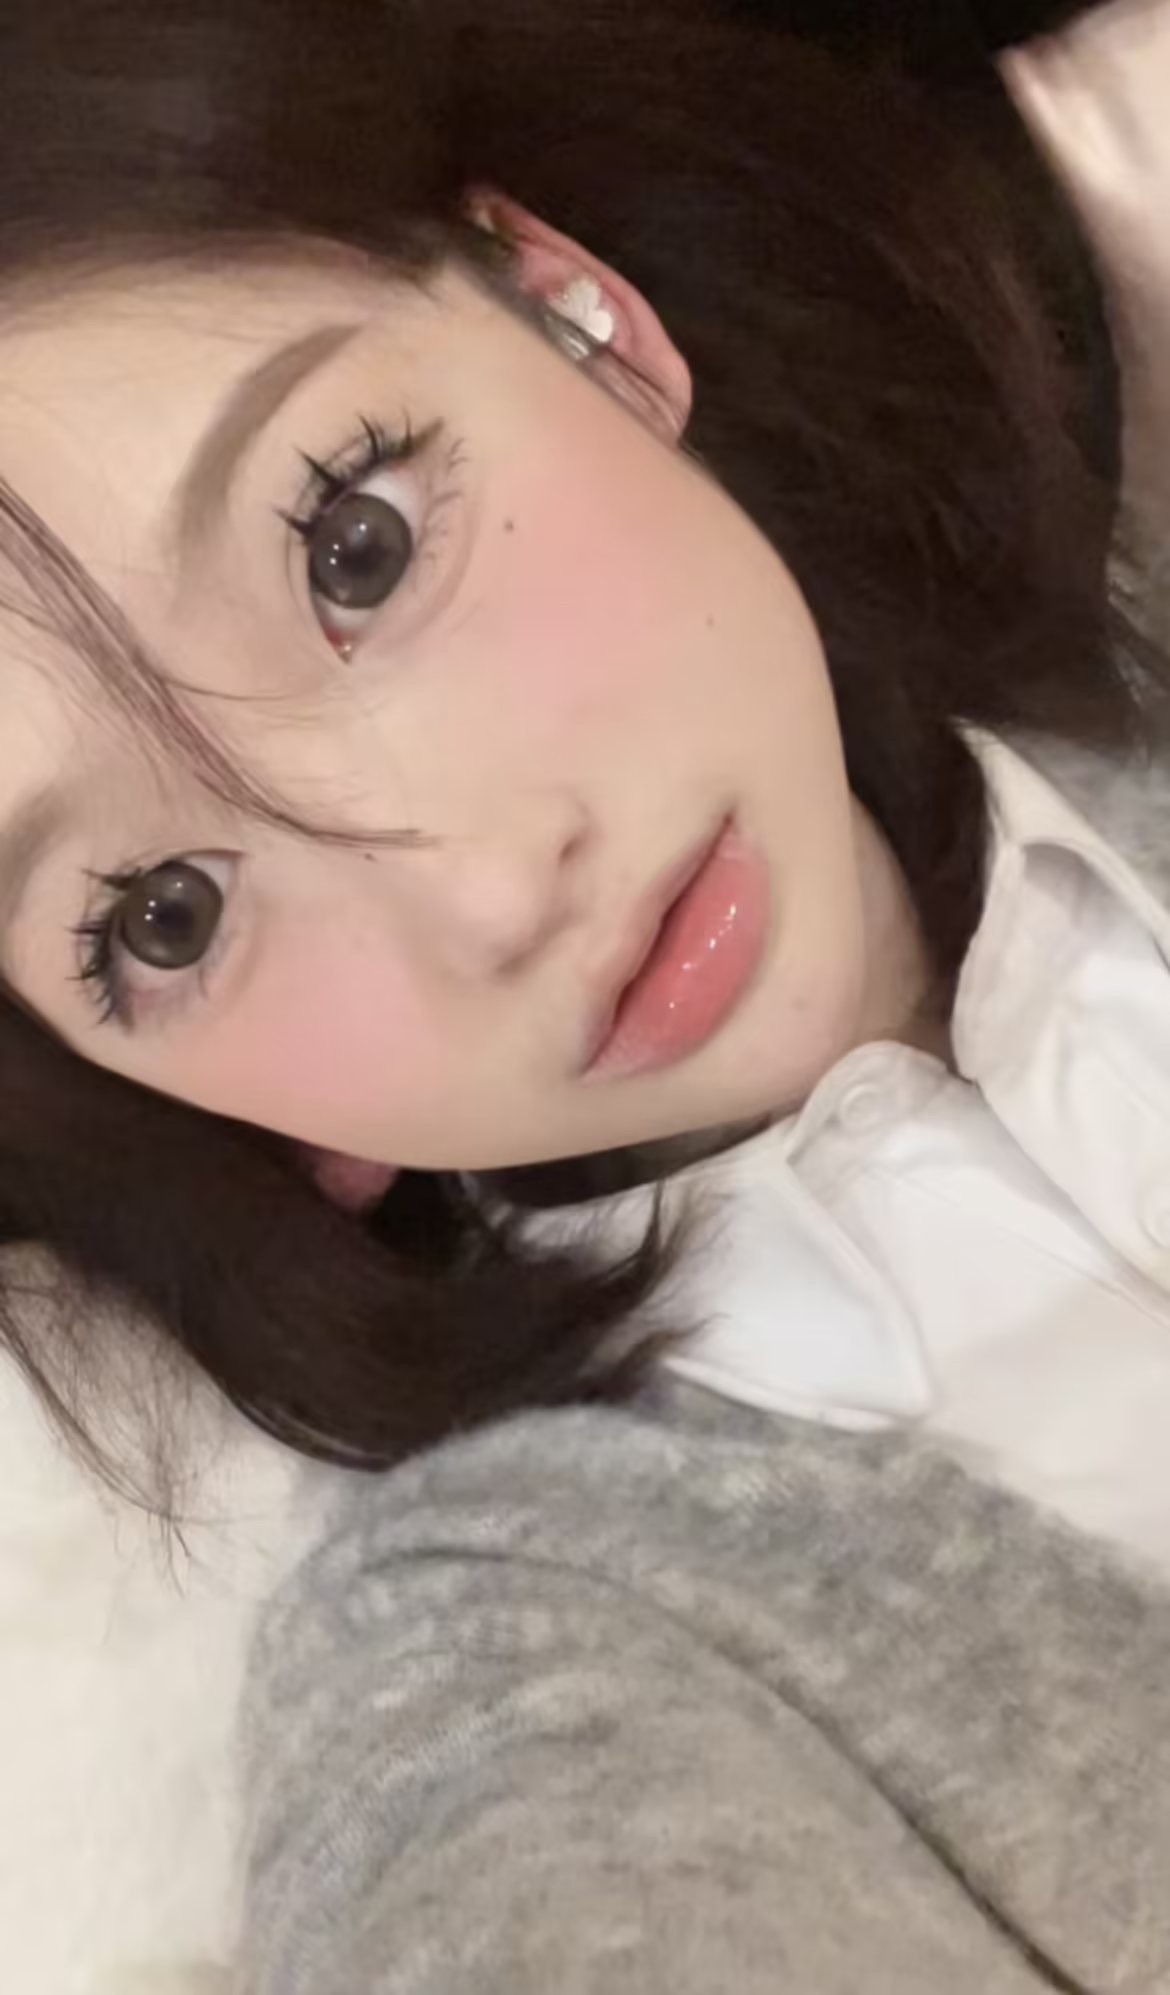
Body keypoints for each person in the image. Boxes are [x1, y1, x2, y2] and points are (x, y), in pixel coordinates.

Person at [0, 0, 1168, 1984]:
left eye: (356, 545)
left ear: (575, 315)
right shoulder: (515, 1653)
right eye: (168, 917)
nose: (481, 887)